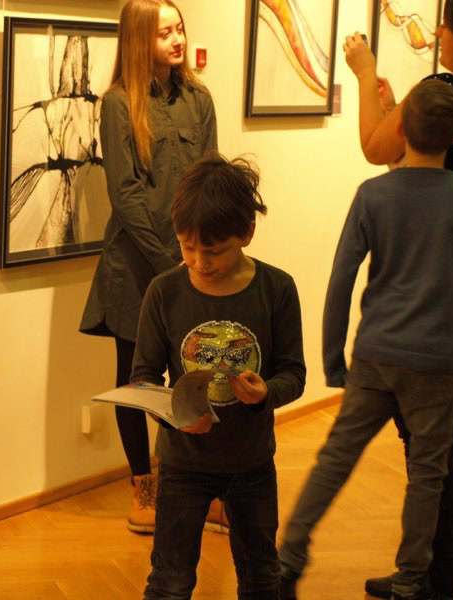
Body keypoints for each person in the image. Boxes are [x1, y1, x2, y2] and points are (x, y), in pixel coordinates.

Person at [278, 79, 453, 600]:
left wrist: (333, 359)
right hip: (437, 362)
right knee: (427, 472)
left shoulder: (372, 195)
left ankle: (287, 560)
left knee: (335, 459)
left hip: (376, 353)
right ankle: (410, 577)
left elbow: (341, 280)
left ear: (399, 130)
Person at [343, 1, 453, 595]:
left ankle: (428, 572)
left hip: (421, 284)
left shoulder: (444, 89)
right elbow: (420, 157)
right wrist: (400, 107)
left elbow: (377, 148)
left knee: (426, 432)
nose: (438, 30)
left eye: (448, 21)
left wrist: (365, 73)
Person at [133, 152, 306, 599]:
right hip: (182, 465)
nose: (199, 261)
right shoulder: (164, 291)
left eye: (213, 251)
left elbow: (294, 373)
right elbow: (144, 378)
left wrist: (265, 393)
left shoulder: (277, 289)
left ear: (246, 233)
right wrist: (174, 414)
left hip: (251, 463)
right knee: (170, 582)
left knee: (261, 578)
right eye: (186, 247)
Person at [78, 0, 219, 534]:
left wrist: (202, 255)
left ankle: (194, 484)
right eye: (165, 33)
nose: (177, 39)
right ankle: (144, 487)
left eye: (179, 28)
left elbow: (210, 178)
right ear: (140, 40)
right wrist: (171, 261)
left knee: (193, 377)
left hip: (192, 261)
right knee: (137, 379)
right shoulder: (118, 103)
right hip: (137, 267)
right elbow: (126, 194)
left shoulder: (200, 99)